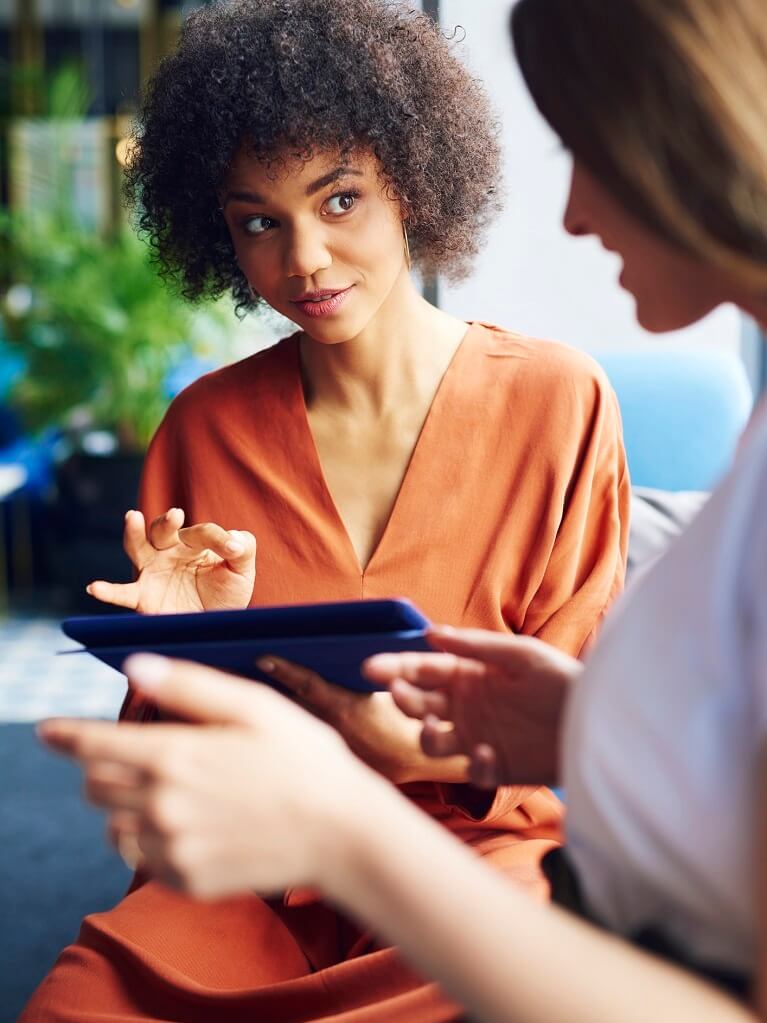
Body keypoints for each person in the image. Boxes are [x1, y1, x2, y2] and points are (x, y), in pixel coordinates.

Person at [20, 1, 629, 1021]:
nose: (300, 258)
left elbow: (584, 723)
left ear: (412, 180)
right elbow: (157, 800)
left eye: (337, 200)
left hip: (468, 865)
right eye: (258, 220)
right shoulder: (203, 426)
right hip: (250, 864)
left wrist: (413, 749)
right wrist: (173, 651)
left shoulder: (557, 401)